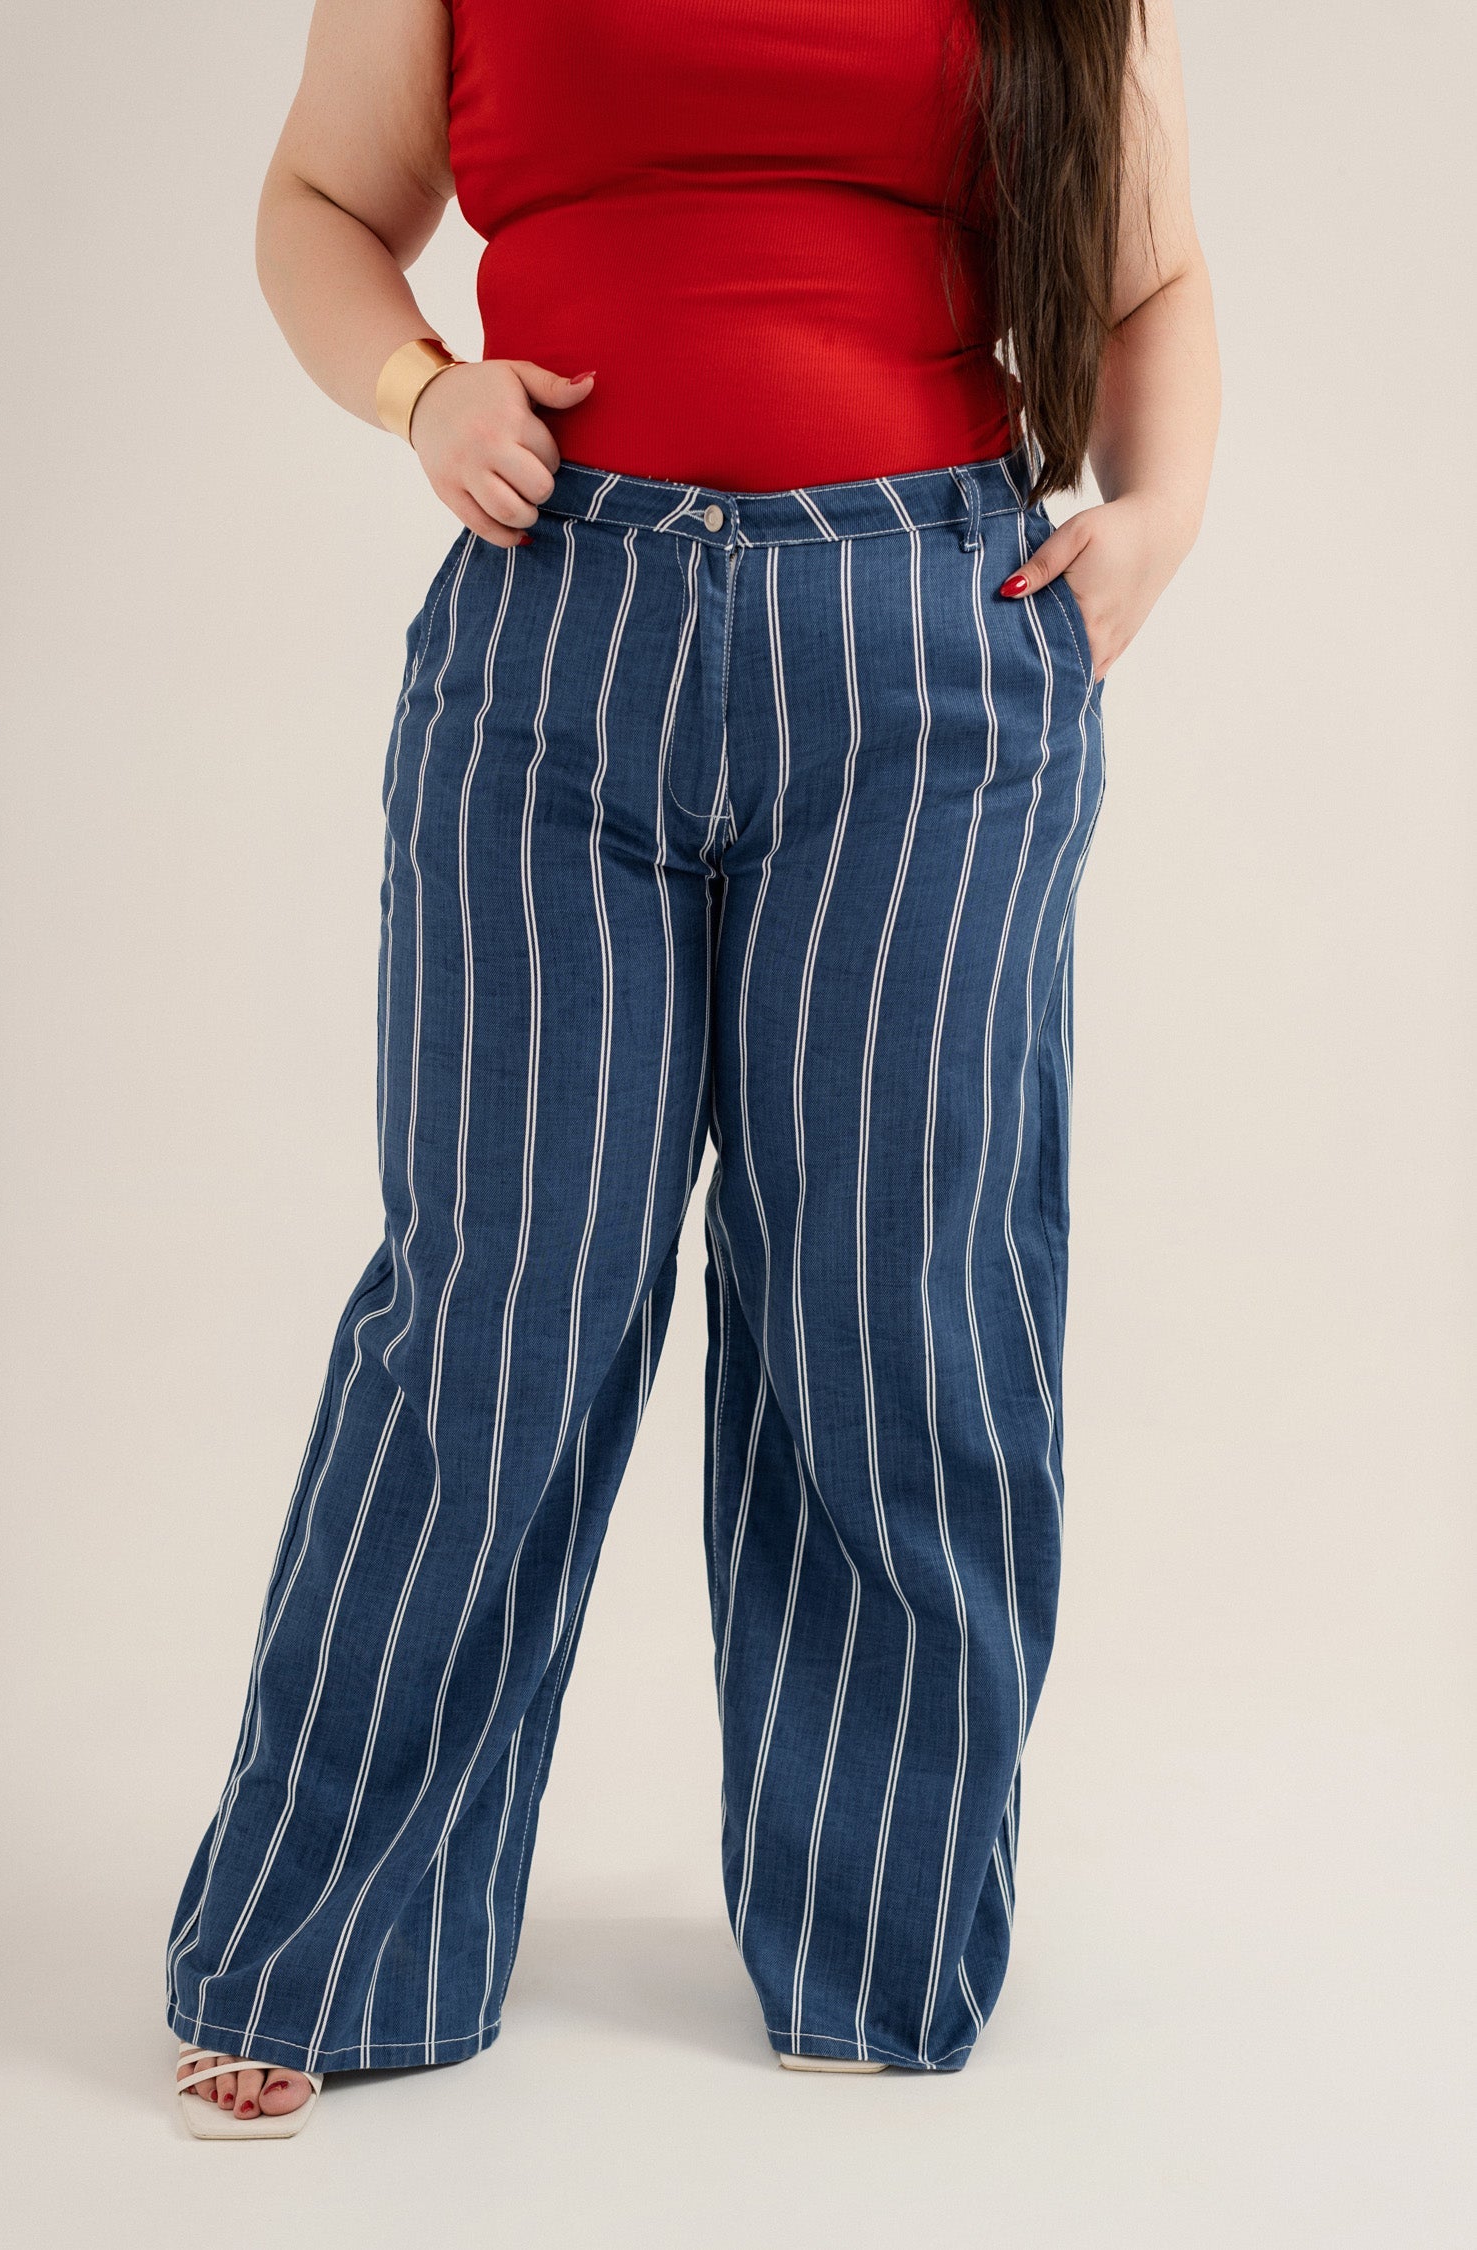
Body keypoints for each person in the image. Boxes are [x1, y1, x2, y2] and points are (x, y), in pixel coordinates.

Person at [168, 0, 1219, 2136]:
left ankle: (878, 1953)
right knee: (496, 1304)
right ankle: (331, 1947)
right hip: (556, 632)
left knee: (901, 1308)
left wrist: (1162, 511)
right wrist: (423, 387)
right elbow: (319, 204)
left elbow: (1151, 271)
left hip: (929, 649)